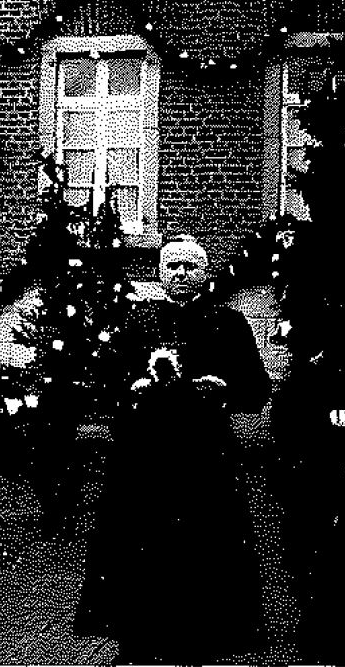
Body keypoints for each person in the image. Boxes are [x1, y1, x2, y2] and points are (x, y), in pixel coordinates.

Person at [75, 235, 271, 663]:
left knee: (204, 543)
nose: (182, 274)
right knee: (142, 541)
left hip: (204, 453)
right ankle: (141, 634)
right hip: (146, 453)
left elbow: (256, 389)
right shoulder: (136, 321)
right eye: (173, 266)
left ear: (204, 274)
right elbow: (104, 383)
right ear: (160, 274)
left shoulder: (229, 323)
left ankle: (203, 635)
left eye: (191, 266)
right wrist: (134, 387)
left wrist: (224, 388)